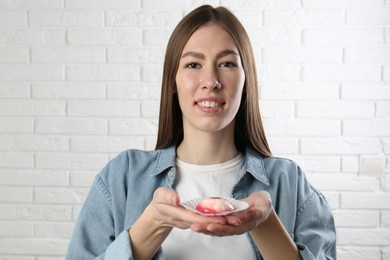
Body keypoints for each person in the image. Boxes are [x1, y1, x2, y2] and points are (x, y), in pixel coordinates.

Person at [66, 5, 336, 260]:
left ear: (246, 80)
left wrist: (266, 225)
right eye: (193, 65)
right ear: (173, 81)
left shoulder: (290, 184)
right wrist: (151, 225)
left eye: (227, 64)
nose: (211, 82)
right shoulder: (122, 178)